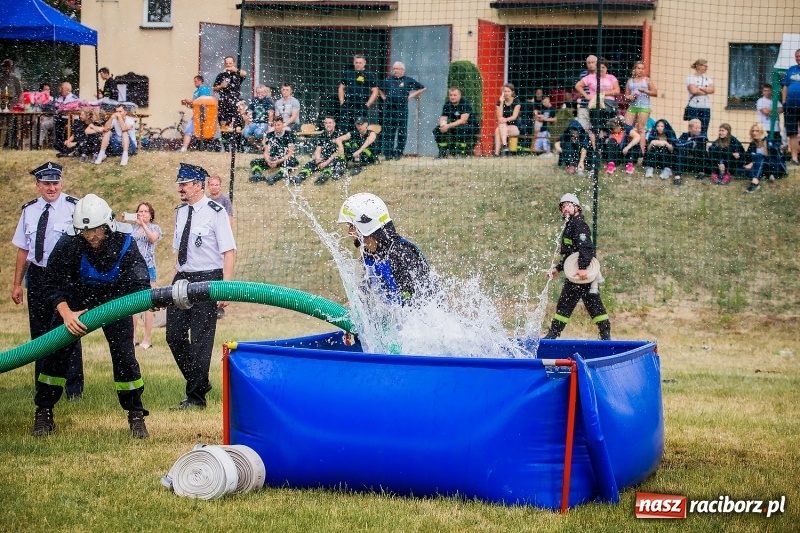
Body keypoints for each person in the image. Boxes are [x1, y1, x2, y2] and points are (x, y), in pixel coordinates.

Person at [33, 193, 151, 438]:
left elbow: (139, 280)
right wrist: (66, 313)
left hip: (115, 304)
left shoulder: (125, 241)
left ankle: (136, 415)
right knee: (54, 355)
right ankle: (44, 412)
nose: (91, 236)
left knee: (125, 358)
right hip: (75, 304)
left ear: (107, 224)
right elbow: (51, 282)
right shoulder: (69, 242)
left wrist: (146, 300)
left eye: (96, 230)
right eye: (86, 232)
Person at [12, 162, 84, 401]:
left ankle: (74, 389)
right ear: (38, 185)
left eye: (55, 183)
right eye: (46, 183)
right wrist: (17, 284)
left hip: (66, 276)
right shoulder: (29, 210)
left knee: (69, 329)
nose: (52, 188)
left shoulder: (74, 207)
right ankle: (43, 385)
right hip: (38, 276)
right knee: (40, 333)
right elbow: (23, 250)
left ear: (61, 183)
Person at [167, 163, 236, 410]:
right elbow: (180, 253)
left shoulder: (215, 211)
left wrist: (226, 284)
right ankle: (200, 381)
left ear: (198, 185)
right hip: (182, 279)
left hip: (208, 278)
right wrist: (171, 282)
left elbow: (228, 250)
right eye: (180, 184)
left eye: (184, 184)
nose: (180, 189)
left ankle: (196, 398)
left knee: (200, 339)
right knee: (173, 335)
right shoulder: (180, 212)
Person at [337, 193, 434, 306]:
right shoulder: (369, 255)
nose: (349, 232)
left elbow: (423, 299)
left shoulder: (400, 253)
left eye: (351, 226)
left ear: (365, 225)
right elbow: (367, 293)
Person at [544, 193, 610, 341]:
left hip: (581, 275)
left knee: (567, 303)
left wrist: (582, 267)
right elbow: (570, 255)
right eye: (563, 206)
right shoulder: (570, 225)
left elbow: (586, 248)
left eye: (568, 205)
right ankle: (605, 334)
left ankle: (553, 335)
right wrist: (558, 268)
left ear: (577, 207)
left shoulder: (579, 224)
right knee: (592, 304)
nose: (565, 209)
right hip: (578, 273)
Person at [127, 202, 161, 349]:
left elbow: (152, 238)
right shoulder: (132, 230)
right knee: (133, 304)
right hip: (133, 269)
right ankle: (133, 336)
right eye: (140, 211)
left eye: (146, 211)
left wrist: (144, 225)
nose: (143, 214)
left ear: (151, 214)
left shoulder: (155, 228)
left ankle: (147, 338)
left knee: (149, 304)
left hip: (148, 268)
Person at [379, 62, 426, 160]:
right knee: (388, 132)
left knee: (402, 132)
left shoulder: (408, 80)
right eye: (394, 68)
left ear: (402, 70)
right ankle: (388, 154)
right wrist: (383, 97)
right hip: (389, 110)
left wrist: (412, 95)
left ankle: (398, 153)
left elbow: (422, 88)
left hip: (402, 110)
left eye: (397, 68)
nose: (394, 70)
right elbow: (379, 88)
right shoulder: (388, 80)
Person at [295, 115, 346, 185]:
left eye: (330, 123)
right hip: (324, 157)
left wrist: (326, 162)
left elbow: (338, 152)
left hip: (334, 158)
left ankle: (324, 176)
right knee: (310, 164)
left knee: (336, 163)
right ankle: (300, 177)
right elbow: (318, 150)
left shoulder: (339, 134)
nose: (328, 125)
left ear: (334, 124)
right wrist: (318, 161)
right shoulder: (322, 135)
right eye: (326, 123)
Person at [575, 58, 620, 134]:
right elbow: (577, 86)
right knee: (596, 128)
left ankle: (606, 143)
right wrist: (586, 95)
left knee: (609, 127)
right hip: (595, 105)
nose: (601, 69)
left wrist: (603, 93)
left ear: (606, 68)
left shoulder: (611, 77)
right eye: (599, 67)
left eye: (603, 67)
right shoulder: (590, 77)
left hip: (609, 105)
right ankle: (596, 144)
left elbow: (617, 91)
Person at [249, 116, 299, 185]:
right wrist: (268, 160)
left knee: (292, 162)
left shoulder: (289, 134)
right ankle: (258, 175)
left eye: (278, 125)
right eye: (275, 125)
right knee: (254, 162)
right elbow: (266, 151)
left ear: (282, 125)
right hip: (272, 158)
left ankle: (276, 176)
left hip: (283, 159)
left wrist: (278, 161)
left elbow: (290, 153)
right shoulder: (270, 135)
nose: (276, 127)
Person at [432, 87, 479, 158]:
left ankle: (461, 152)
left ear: (459, 95)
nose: (452, 97)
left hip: (470, 126)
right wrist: (443, 125)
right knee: (437, 130)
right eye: (451, 95)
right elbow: (443, 117)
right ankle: (443, 151)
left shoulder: (465, 104)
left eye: (455, 95)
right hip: (455, 126)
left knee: (460, 129)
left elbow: (463, 120)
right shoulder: (447, 104)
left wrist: (448, 126)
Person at [338, 54, 379, 132]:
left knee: (360, 127)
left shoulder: (369, 74)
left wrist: (368, 103)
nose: (358, 64)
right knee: (345, 126)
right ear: (353, 63)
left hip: (361, 105)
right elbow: (341, 88)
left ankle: (357, 143)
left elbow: (375, 91)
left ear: (364, 63)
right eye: (356, 62)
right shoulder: (348, 73)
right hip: (348, 104)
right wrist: (342, 101)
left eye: (360, 63)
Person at [624, 61, 657, 152]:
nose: (641, 70)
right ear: (634, 69)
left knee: (641, 129)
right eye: (639, 68)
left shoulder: (647, 80)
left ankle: (641, 153)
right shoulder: (630, 81)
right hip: (633, 106)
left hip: (644, 107)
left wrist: (645, 91)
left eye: (643, 69)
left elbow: (655, 93)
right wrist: (630, 97)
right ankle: (628, 149)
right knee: (627, 128)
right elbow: (626, 96)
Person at [743, 123, 787, 193]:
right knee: (745, 170)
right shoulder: (752, 144)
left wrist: (753, 162)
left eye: (757, 131)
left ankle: (755, 183)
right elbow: (747, 157)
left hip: (774, 167)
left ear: (761, 132)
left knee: (760, 157)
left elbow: (776, 158)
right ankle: (767, 176)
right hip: (762, 167)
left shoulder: (768, 141)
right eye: (753, 131)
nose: (754, 133)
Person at [39, 81, 79, 152]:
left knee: (60, 124)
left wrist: (62, 110)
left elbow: (74, 112)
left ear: (67, 89)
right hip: (60, 118)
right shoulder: (60, 98)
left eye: (62, 88)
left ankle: (64, 145)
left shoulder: (74, 98)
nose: (60, 90)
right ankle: (58, 144)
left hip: (69, 119)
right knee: (56, 122)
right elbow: (56, 108)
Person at [213, 56, 248, 130]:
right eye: (227, 63)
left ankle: (235, 138)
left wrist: (233, 69)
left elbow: (245, 74)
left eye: (230, 63)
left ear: (234, 63)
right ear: (224, 64)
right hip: (223, 102)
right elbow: (214, 89)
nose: (228, 65)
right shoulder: (221, 75)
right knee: (223, 125)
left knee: (236, 125)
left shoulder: (237, 74)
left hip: (234, 101)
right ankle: (225, 139)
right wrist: (221, 86)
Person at [180, 75, 213, 153]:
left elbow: (203, 102)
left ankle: (185, 148)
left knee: (191, 130)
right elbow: (195, 105)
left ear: (201, 81)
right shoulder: (196, 91)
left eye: (196, 81)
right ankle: (186, 148)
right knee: (191, 130)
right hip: (196, 113)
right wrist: (188, 104)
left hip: (202, 114)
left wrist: (190, 101)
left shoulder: (203, 89)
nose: (195, 83)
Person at [672, 118, 708, 186]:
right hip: (686, 160)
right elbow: (677, 144)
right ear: (690, 129)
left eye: (700, 128)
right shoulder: (685, 135)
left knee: (701, 150)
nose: (699, 130)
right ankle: (677, 176)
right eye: (696, 128)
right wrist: (690, 143)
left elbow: (699, 143)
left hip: (697, 161)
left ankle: (701, 172)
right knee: (681, 151)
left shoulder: (703, 136)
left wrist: (687, 143)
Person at [685, 59, 715, 137]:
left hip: (705, 107)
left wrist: (700, 88)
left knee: (704, 130)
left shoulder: (707, 78)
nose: (706, 67)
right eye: (704, 65)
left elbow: (712, 90)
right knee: (693, 129)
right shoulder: (690, 78)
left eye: (706, 66)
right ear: (698, 66)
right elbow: (694, 91)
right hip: (694, 107)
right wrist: (706, 89)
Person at [781, 49, 800, 166]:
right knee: (792, 133)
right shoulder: (791, 70)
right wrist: (783, 102)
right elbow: (785, 87)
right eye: (797, 56)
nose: (798, 58)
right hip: (791, 106)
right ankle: (794, 158)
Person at [493, 83, 522, 156]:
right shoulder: (500, 102)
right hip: (503, 128)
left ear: (512, 92)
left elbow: (514, 116)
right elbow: (499, 117)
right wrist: (502, 103)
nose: (506, 93)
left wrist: (505, 119)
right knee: (499, 129)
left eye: (508, 91)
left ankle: (497, 152)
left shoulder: (516, 101)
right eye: (505, 91)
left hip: (514, 127)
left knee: (498, 129)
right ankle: (503, 146)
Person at [575, 55, 598, 134]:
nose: (591, 64)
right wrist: (586, 95)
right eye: (589, 63)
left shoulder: (601, 74)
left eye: (593, 62)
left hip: (596, 105)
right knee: (583, 127)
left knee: (595, 129)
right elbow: (579, 88)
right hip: (584, 105)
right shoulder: (583, 75)